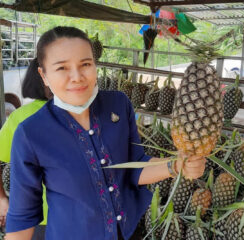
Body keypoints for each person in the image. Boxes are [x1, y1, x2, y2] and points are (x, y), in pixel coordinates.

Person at [5, 26, 206, 240]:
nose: (77, 77)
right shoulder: (31, 133)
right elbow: (23, 217)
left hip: (129, 233)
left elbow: (134, 166)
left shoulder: (118, 104)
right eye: (62, 68)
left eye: (85, 64)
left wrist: (177, 165)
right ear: (43, 75)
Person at [0, 57, 52, 240]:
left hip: (30, 219)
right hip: (68, 218)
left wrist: (2, 199)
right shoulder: (80, 117)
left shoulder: (19, 117)